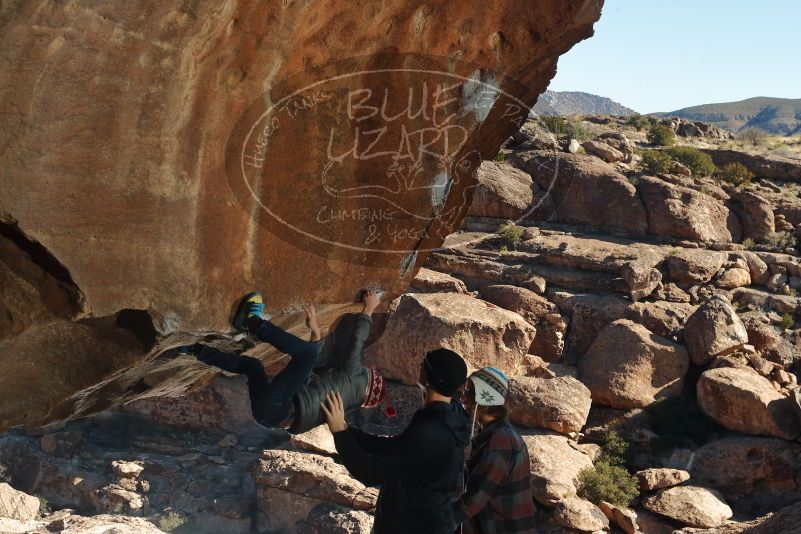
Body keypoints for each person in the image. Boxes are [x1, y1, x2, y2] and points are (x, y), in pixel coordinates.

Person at [179, 289, 392, 434]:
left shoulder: (357, 380)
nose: (365, 369)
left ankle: (252, 321)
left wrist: (368, 310)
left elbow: (357, 341)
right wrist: (316, 332)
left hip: (280, 407)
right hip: (268, 417)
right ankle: (194, 349)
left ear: (371, 380)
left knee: (305, 355)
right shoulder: (342, 402)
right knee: (252, 367)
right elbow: (307, 377)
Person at [321, 348, 471, 534]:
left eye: (424, 365)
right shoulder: (449, 419)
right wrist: (347, 430)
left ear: (431, 378)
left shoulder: (430, 431)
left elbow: (370, 472)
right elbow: (393, 448)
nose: (419, 367)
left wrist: (339, 434)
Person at [453, 367, 537, 534]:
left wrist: (432, 522)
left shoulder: (500, 442)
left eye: (469, 392)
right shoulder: (497, 433)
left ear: (485, 399)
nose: (463, 398)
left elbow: (473, 500)